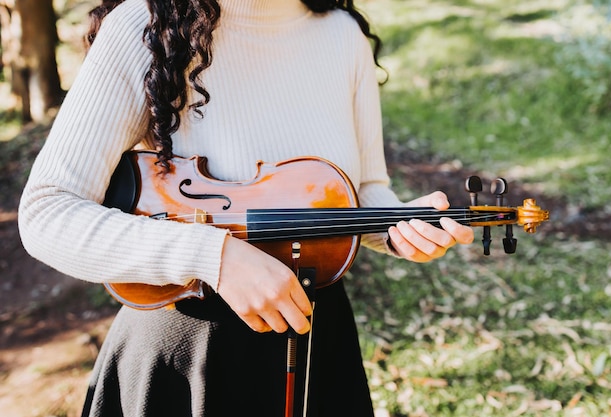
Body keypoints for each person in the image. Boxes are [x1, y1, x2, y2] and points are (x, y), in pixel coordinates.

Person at [18, 0, 474, 416]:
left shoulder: (342, 35)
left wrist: (397, 225)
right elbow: (47, 211)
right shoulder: (146, 26)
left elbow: (366, 189)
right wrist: (215, 257)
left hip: (317, 341)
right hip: (187, 349)